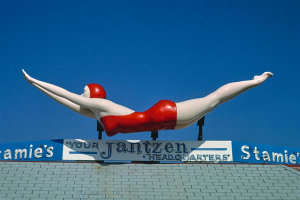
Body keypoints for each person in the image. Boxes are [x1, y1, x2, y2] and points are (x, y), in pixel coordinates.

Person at [22, 69, 273, 136]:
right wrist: (35, 86)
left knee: (213, 99)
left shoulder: (103, 107)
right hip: (172, 125)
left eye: (84, 92)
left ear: (92, 95)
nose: (81, 95)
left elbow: (68, 95)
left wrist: (37, 80)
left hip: (162, 115)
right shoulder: (99, 115)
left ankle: (255, 81)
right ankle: (253, 82)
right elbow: (67, 103)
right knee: (213, 102)